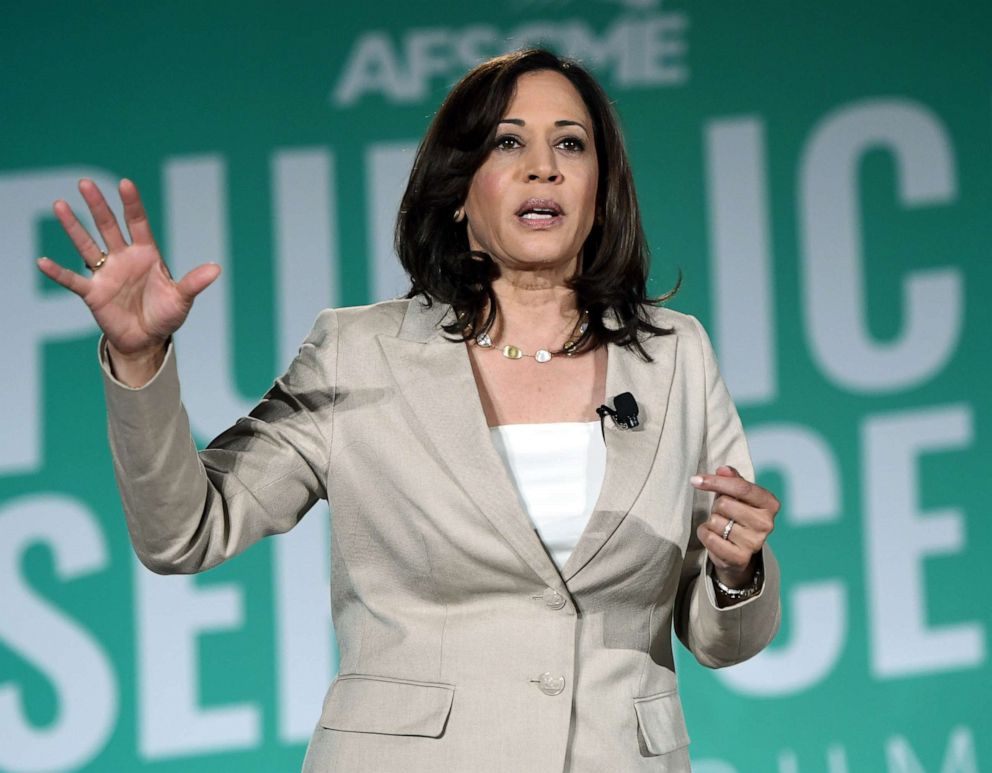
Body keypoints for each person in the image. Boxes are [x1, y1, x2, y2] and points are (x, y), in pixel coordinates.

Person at [37, 48, 781, 772]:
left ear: (599, 186)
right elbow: (185, 531)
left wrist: (737, 569)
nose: (543, 166)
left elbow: (722, 638)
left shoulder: (675, 356)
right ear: (459, 190)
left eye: (571, 144)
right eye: (507, 143)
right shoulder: (359, 353)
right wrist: (139, 358)